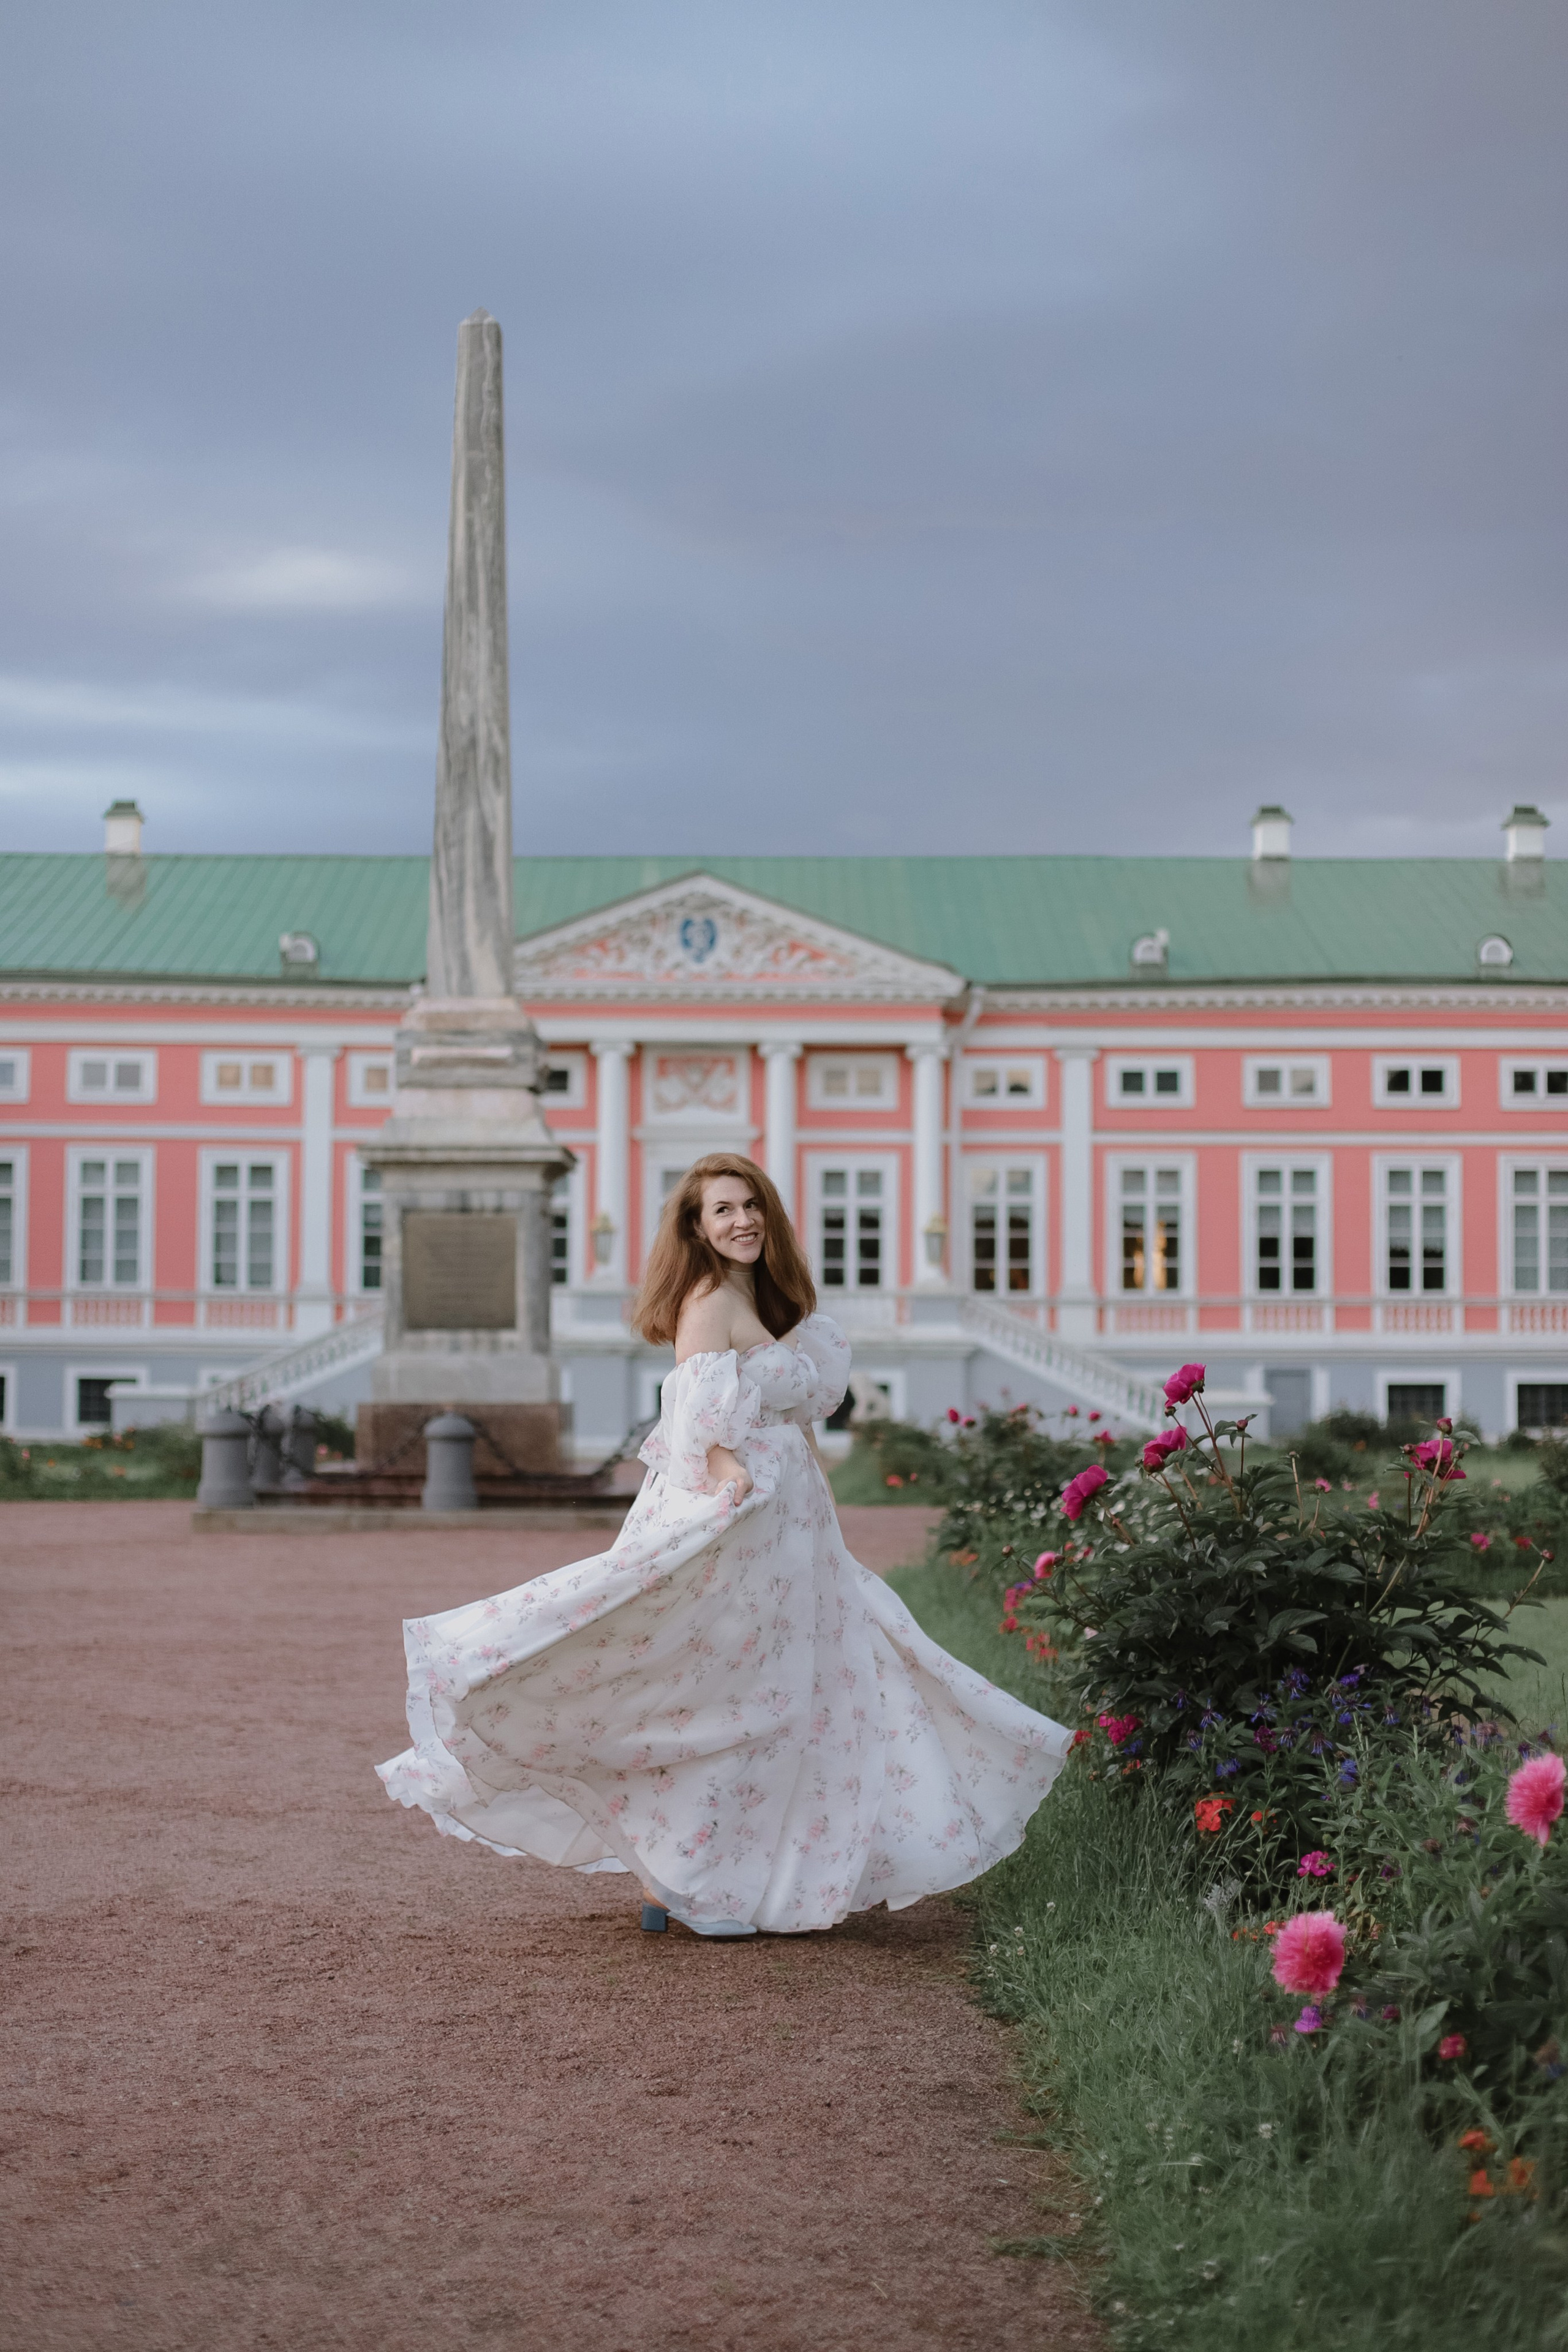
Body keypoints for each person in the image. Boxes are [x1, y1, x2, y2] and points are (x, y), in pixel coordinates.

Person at [377, 1152, 1070, 1937]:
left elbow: (797, 1418)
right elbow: (694, 1415)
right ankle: (691, 1876)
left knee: (799, 1693)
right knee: (728, 1694)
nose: (741, 1220)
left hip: (795, 1530)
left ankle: (749, 1873)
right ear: (698, 1230)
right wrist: (727, 1466)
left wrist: (821, 1502)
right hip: (741, 1519)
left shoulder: (760, 1297)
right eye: (722, 1211)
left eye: (751, 1206)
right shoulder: (707, 1301)